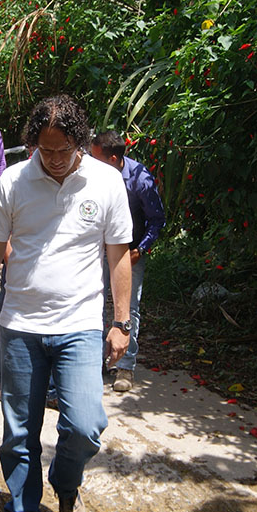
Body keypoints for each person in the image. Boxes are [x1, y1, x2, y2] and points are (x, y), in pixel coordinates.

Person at [0, 95, 133, 512]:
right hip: (20, 325)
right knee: (19, 431)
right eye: (46, 150)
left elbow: (118, 253)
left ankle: (65, 481)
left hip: (79, 323)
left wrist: (121, 322)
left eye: (63, 150)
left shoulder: (106, 181)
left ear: (80, 141)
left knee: (84, 424)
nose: (55, 159)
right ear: (33, 144)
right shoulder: (15, 181)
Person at [90, 130, 166, 393]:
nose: (90, 160)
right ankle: (94, 361)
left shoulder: (140, 179)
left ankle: (126, 367)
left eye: (95, 156)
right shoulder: (92, 176)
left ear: (112, 159)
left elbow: (157, 220)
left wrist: (140, 250)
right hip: (97, 249)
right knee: (93, 300)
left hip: (129, 252)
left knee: (129, 308)